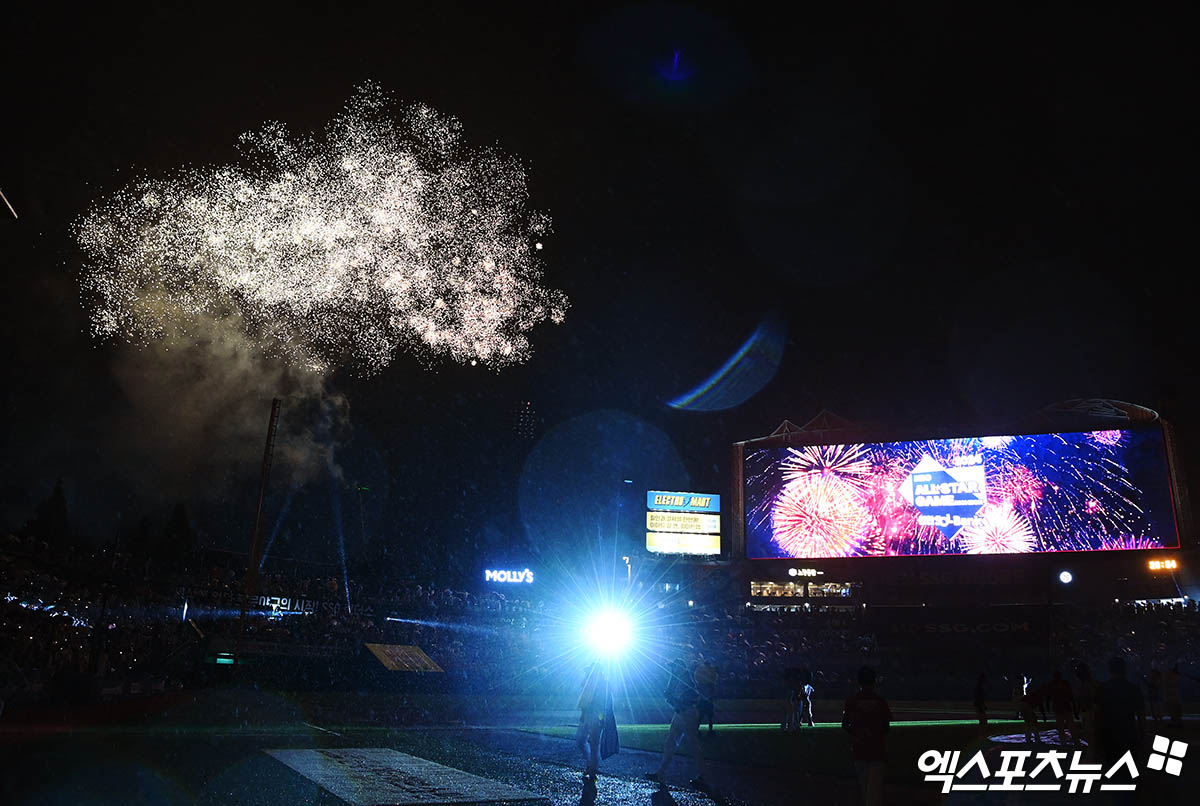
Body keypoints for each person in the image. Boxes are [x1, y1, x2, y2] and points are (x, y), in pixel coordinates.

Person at [646, 659, 710, 792]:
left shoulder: (686, 678)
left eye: (674, 667)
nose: (672, 669)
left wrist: (675, 700)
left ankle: (704, 778)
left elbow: (691, 697)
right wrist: (672, 698)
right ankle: (661, 774)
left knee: (693, 747)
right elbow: (671, 695)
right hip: (681, 714)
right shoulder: (677, 678)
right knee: (671, 743)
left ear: (679, 667)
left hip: (687, 713)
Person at [842, 665, 891, 806]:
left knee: (865, 790)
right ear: (874, 681)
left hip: (859, 749)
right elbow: (886, 728)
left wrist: (859, 733)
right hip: (877, 750)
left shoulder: (851, 701)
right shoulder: (880, 702)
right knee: (874, 792)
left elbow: (845, 725)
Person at [1094, 656, 1146, 766]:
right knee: (1129, 769)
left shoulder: (1102, 688)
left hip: (1108, 734)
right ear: (1125, 669)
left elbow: (1097, 714)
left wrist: (1096, 736)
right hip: (1128, 733)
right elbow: (1141, 715)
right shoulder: (1133, 688)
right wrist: (1142, 735)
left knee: (1111, 768)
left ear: (1109, 669)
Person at [576, 662, 608, 779]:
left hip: (594, 715)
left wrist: (600, 718)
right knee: (581, 740)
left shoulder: (601, 685)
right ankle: (591, 765)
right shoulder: (589, 683)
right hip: (588, 714)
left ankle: (593, 769)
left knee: (593, 744)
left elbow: (602, 704)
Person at [1044, 670, 1076, 746]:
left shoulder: (1053, 684)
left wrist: (1048, 707)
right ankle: (1075, 742)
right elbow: (1071, 696)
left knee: (1062, 726)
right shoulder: (1063, 683)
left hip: (1059, 707)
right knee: (1069, 725)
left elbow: (1048, 696)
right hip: (1064, 707)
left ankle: (1064, 743)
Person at [1075, 663, 1100, 758]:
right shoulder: (1089, 684)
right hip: (1088, 712)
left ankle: (1091, 755)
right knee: (1090, 734)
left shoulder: (1088, 684)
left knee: (1090, 735)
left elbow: (1092, 699)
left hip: (1090, 712)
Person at [694, 654, 717, 733]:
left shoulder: (700, 670)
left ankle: (697, 730)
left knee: (701, 716)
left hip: (703, 698)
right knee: (708, 716)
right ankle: (709, 730)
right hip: (707, 698)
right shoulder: (710, 671)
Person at [973, 673, 988, 737]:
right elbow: (979, 698)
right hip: (979, 706)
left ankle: (981, 733)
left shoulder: (979, 687)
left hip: (979, 705)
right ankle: (982, 734)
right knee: (983, 721)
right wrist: (982, 706)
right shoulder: (979, 688)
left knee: (982, 721)